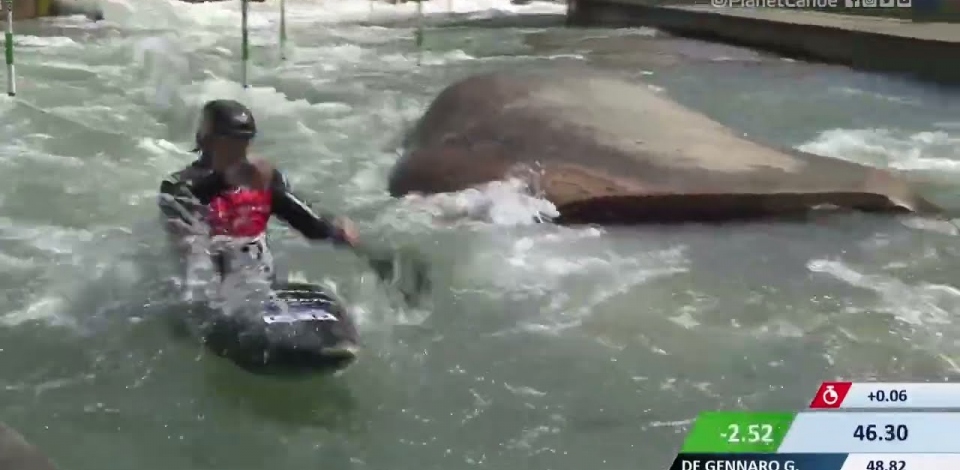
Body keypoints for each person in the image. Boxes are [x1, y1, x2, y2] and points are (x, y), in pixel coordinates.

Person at [158, 99, 359, 285]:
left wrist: (334, 227)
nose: (240, 151)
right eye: (230, 142)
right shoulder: (178, 186)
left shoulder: (261, 179)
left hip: (257, 283)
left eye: (244, 142)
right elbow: (186, 223)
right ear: (208, 141)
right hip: (204, 287)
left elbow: (306, 221)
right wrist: (224, 180)